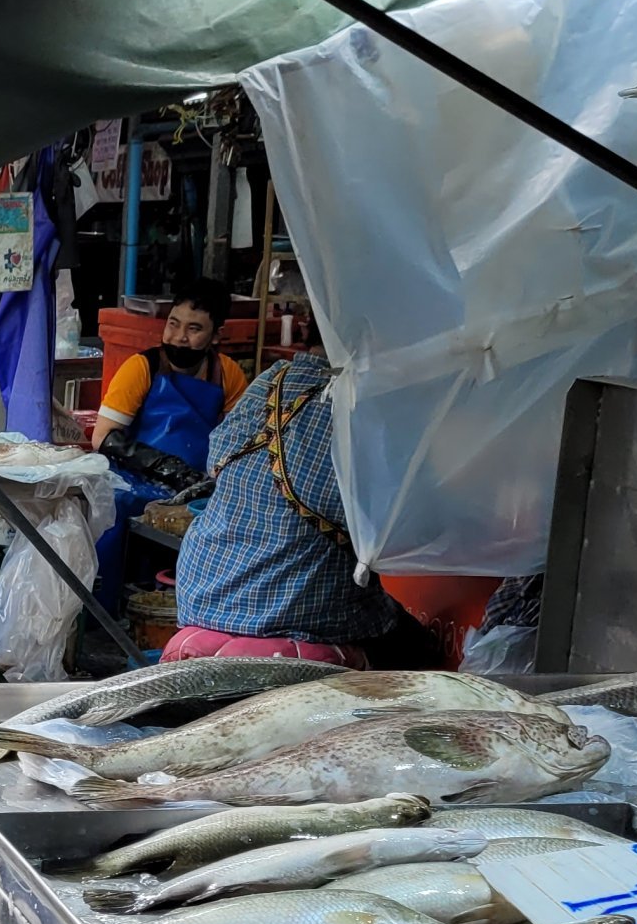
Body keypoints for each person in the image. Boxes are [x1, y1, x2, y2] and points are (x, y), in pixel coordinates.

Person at [167, 349, 433, 668]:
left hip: (203, 593)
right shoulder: (361, 404)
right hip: (291, 610)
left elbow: (217, 458)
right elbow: (384, 526)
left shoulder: (273, 377)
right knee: (421, 648)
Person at [91, 284, 249, 612]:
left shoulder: (227, 374)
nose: (179, 337)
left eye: (194, 329)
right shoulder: (142, 367)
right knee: (115, 507)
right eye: (173, 324)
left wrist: (206, 478)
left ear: (216, 335)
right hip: (133, 479)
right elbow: (103, 437)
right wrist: (169, 469)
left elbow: (240, 439)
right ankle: (104, 608)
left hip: (197, 482)